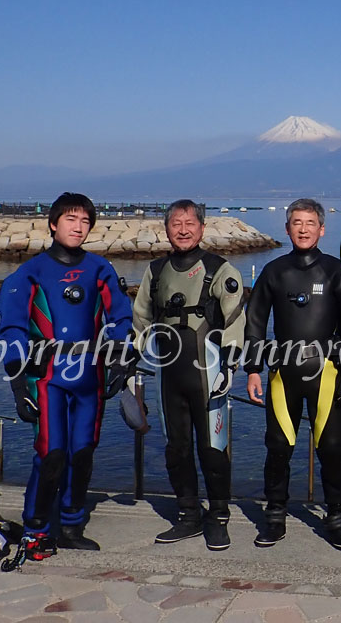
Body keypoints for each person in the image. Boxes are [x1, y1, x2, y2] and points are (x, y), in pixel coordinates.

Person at [0, 192, 134, 558]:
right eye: (71, 219)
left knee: (83, 452)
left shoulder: (99, 268)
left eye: (85, 221)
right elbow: (12, 328)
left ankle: (72, 524)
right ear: (53, 224)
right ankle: (35, 528)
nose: (78, 226)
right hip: (48, 377)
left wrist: (122, 356)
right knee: (52, 453)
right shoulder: (30, 272)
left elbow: (120, 317)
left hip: (90, 375)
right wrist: (17, 381)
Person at [244, 198, 341, 550]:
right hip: (284, 372)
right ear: (286, 228)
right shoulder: (274, 271)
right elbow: (255, 321)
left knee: (332, 447)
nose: (302, 228)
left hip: (327, 370)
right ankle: (275, 516)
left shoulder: (336, 270)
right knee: (278, 446)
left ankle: (337, 517)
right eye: (296, 222)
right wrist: (253, 368)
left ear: (321, 229)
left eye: (309, 222)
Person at [132, 199, 245, 550]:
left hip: (208, 373)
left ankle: (219, 515)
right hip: (168, 374)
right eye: (176, 223)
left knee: (213, 448)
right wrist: (136, 366)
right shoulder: (155, 270)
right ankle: (188, 514)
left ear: (202, 227)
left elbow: (235, 319)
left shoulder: (220, 270)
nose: (182, 229)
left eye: (189, 223)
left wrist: (230, 364)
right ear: (166, 229)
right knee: (176, 448)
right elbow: (141, 319)